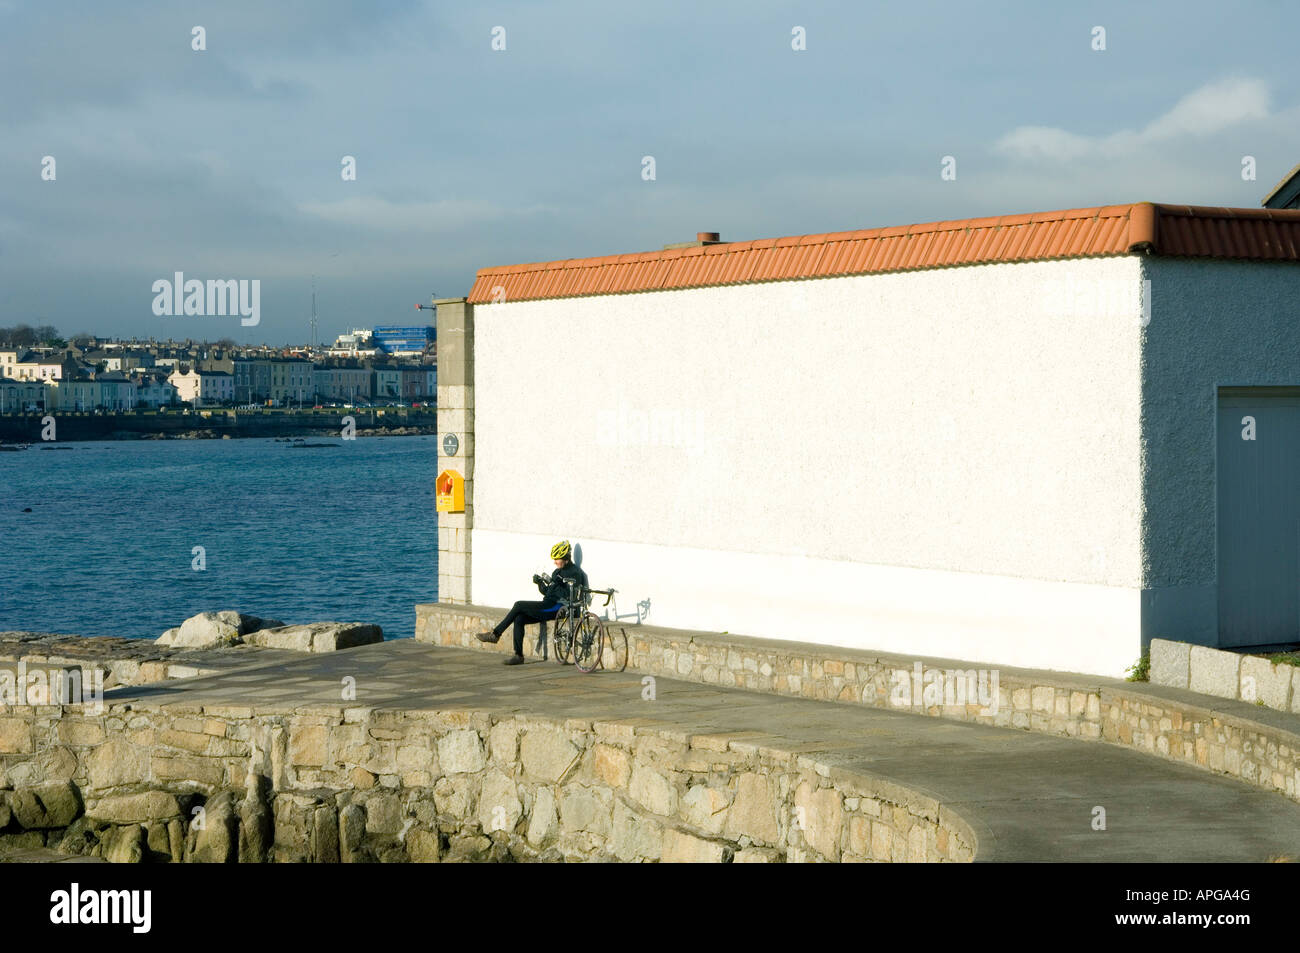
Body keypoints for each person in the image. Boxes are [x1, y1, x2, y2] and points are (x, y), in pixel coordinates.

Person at [477, 540, 587, 665]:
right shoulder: (557, 572)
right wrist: (540, 583)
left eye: (557, 559)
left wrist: (553, 584)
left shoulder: (575, 572)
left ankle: (495, 634)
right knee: (519, 618)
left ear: (565, 558)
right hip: (547, 604)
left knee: (519, 605)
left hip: (558, 608)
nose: (554, 562)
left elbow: (569, 595)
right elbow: (548, 592)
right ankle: (518, 656)